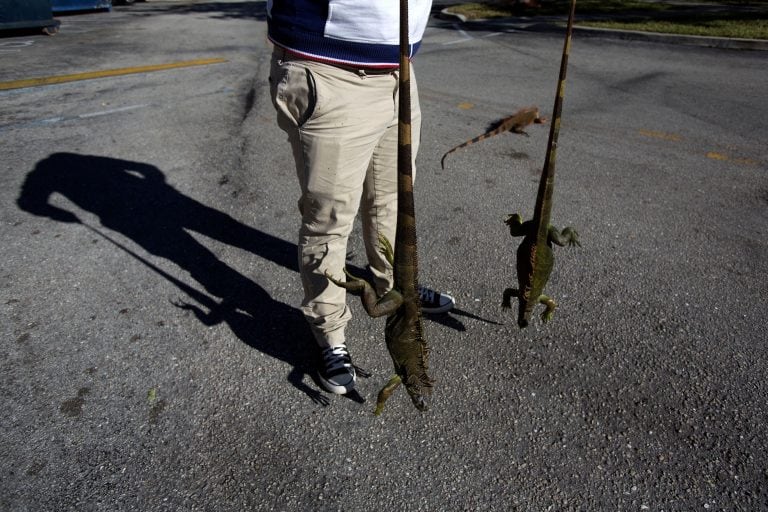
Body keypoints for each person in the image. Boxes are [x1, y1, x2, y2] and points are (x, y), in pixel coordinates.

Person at [267, 0, 454, 395]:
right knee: (330, 219)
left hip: (400, 66)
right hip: (328, 66)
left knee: (394, 203)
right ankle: (329, 331)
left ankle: (396, 289)